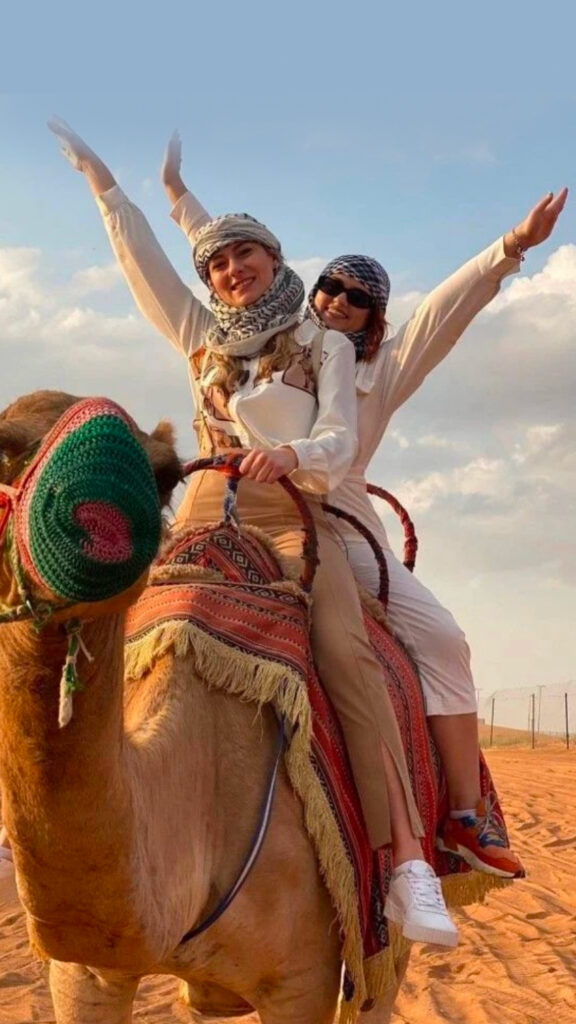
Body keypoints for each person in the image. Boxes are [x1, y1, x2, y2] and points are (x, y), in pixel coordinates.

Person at [44, 118, 459, 948]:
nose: (229, 271)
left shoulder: (323, 345)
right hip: (201, 514)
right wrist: (106, 188)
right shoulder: (201, 336)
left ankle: (407, 862)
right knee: (79, 613)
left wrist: (290, 455)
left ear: (273, 258)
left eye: (243, 256)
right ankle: (41, 816)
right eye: (217, 263)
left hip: (293, 519)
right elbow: (145, 270)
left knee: (348, 657)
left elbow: (340, 440)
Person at [159, 133, 566, 879]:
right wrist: (180, 200)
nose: (338, 302)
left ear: (374, 317)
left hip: (341, 533)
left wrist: (512, 248)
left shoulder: (382, 370)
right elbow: (227, 258)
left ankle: (461, 819)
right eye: (330, 290)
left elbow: (449, 308)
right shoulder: (276, 348)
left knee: (444, 643)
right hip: (236, 507)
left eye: (357, 297)